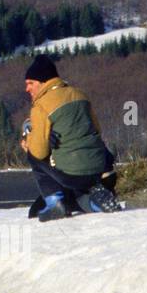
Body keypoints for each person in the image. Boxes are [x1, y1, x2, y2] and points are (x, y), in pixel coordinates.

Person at [20, 55, 118, 221]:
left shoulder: (42, 105)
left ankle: (54, 203)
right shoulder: (80, 95)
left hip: (72, 174)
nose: (27, 89)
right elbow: (97, 129)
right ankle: (95, 203)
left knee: (33, 156)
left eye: (30, 83)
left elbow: (38, 152)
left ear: (43, 81)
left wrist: (29, 139)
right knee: (75, 196)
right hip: (98, 167)